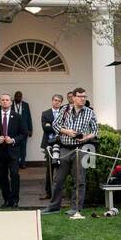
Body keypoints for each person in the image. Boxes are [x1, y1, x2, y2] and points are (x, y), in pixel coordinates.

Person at [43, 88, 99, 217]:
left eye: (84, 96)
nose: (83, 99)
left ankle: (76, 208)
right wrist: (66, 131)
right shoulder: (64, 110)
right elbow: (55, 125)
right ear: (73, 98)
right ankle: (53, 207)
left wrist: (86, 137)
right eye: (80, 96)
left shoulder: (90, 112)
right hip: (64, 148)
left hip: (81, 148)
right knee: (57, 179)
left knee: (79, 179)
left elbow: (95, 131)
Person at [0, 93, 26, 208]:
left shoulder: (17, 116)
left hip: (13, 151)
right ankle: (7, 200)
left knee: (14, 174)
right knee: (2, 176)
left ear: (11, 102)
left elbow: (23, 134)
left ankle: (15, 200)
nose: (5, 101)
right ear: (0, 102)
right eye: (3, 100)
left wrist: (13, 140)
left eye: (7, 100)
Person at [39, 94, 63, 198]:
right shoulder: (45, 113)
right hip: (48, 143)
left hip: (62, 143)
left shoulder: (64, 113)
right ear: (52, 101)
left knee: (61, 168)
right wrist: (59, 128)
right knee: (50, 168)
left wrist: (51, 125)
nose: (56, 102)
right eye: (55, 100)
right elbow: (45, 128)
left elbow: (66, 126)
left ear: (61, 102)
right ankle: (49, 192)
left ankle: (59, 192)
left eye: (59, 101)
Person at [11, 90, 32, 167]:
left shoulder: (25, 105)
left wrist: (30, 130)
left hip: (24, 129)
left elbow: (29, 117)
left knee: (23, 147)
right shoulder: (10, 104)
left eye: (20, 96)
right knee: (13, 146)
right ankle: (14, 163)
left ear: (21, 97)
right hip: (13, 129)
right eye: (17, 96)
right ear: (14, 96)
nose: (18, 97)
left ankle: (23, 163)